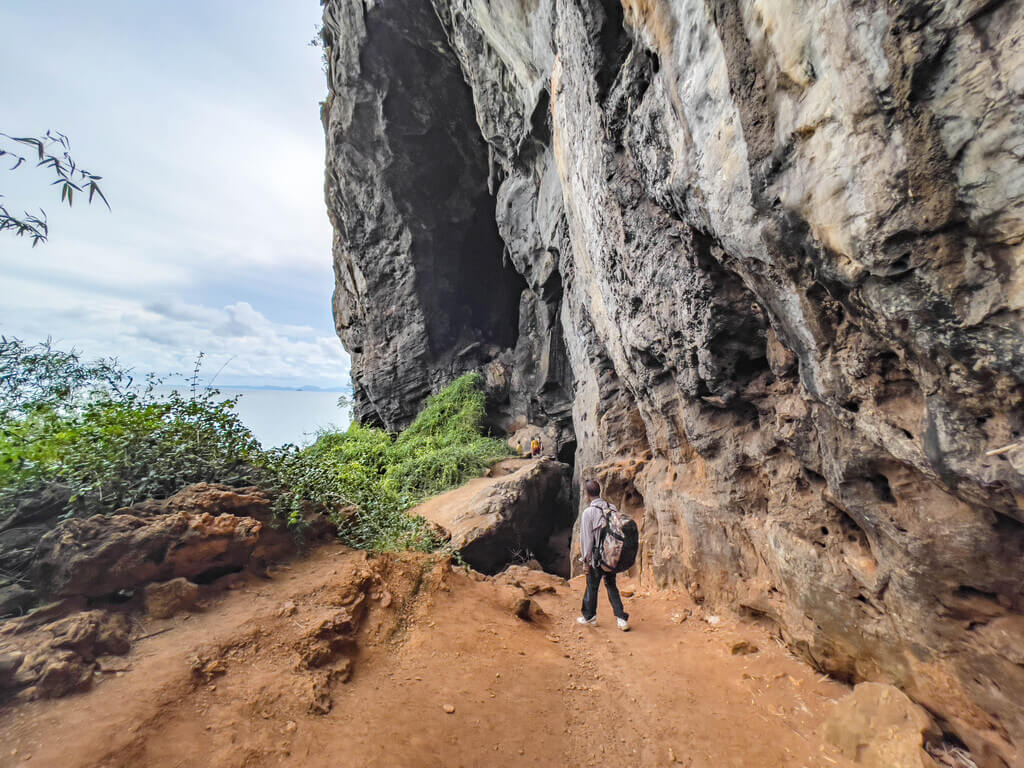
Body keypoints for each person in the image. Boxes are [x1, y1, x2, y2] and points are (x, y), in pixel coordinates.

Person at [577, 479, 630, 631]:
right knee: (611, 585)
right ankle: (621, 619)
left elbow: (587, 539)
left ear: (587, 494)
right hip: (611, 555)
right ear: (600, 491)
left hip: (596, 558)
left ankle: (590, 617)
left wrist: (586, 561)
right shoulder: (611, 508)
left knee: (592, 586)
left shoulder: (588, 513)